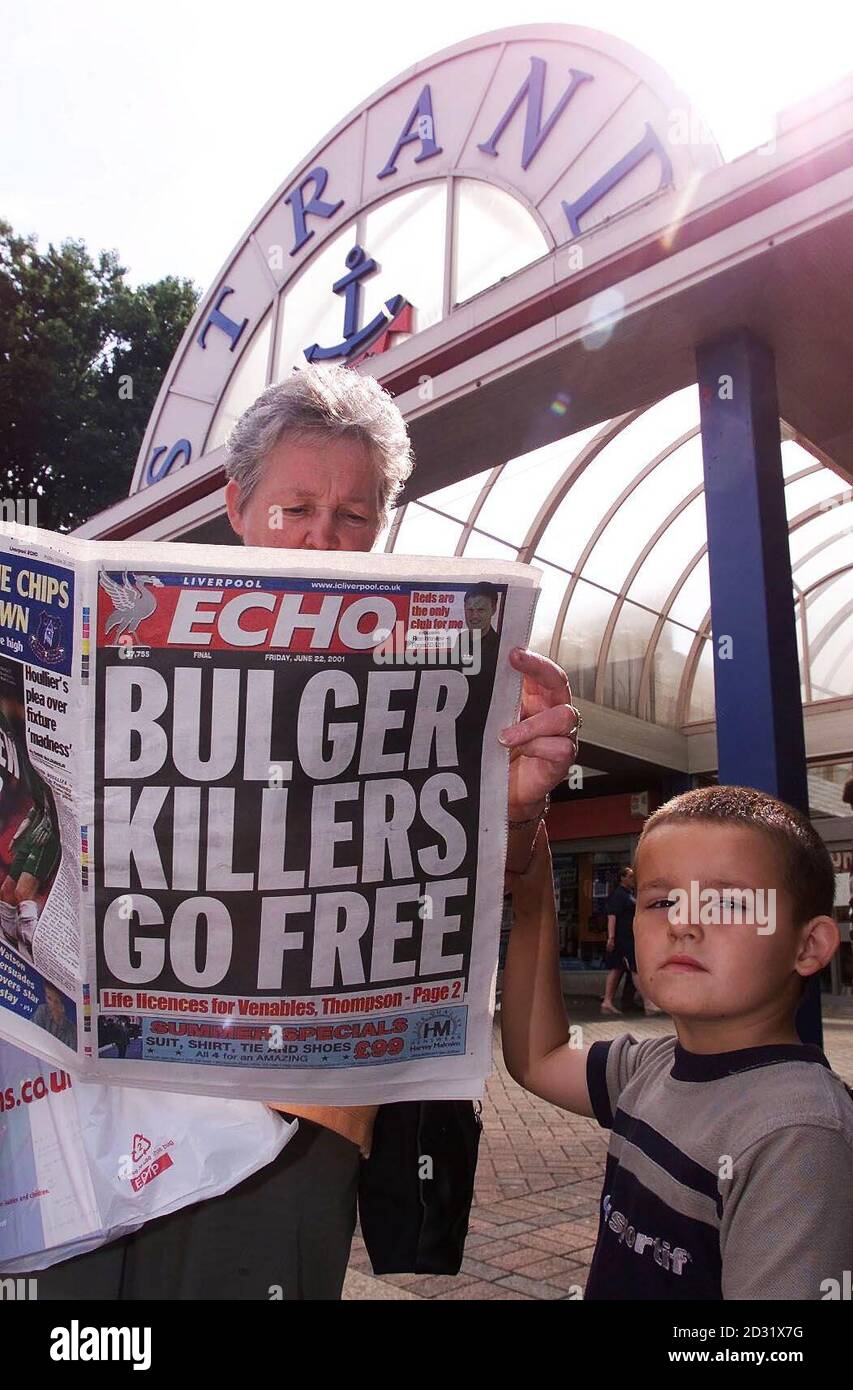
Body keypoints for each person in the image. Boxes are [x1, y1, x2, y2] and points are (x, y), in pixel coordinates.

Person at [31, 362, 581, 1301]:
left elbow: (474, 914)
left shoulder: (438, 674)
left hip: (290, 1136)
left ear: (384, 528)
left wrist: (515, 811)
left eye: (354, 515)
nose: (325, 536)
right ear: (238, 506)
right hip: (86, 1123)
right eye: (296, 508)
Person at [501, 784, 853, 1299]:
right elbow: (538, 1059)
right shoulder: (653, 1066)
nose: (684, 923)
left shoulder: (798, 1133)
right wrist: (529, 859)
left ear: (809, 944)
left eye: (728, 902)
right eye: (662, 900)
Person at [601, 867, 658, 1015]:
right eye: (631, 876)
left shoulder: (629, 894)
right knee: (635, 968)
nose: (633, 879)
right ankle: (648, 1003)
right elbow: (611, 917)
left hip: (629, 937)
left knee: (617, 969)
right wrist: (611, 938)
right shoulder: (619, 895)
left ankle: (607, 1002)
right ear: (622, 878)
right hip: (623, 939)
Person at [31, 981, 76, 1051]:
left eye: (56, 1002)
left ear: (64, 1007)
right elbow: (32, 1034)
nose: (52, 1005)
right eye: (49, 998)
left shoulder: (71, 1031)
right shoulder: (42, 1011)